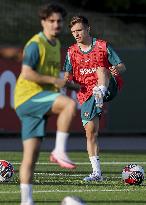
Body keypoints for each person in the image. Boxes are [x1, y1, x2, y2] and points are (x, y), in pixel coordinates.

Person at [14, 3, 77, 205]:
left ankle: (26, 201)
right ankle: (59, 150)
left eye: (59, 21)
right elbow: (27, 73)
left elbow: (51, 77)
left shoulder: (56, 44)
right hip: (29, 97)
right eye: (51, 21)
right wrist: (54, 81)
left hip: (35, 100)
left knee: (30, 158)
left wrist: (69, 85)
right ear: (43, 22)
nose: (56, 25)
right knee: (68, 105)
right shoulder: (36, 44)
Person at [64, 16, 126, 181]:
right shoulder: (71, 52)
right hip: (87, 94)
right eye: (73, 32)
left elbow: (122, 65)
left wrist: (116, 69)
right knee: (91, 133)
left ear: (88, 29)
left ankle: (101, 90)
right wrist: (64, 82)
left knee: (101, 69)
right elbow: (67, 77)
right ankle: (97, 173)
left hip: (109, 86)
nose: (76, 34)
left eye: (79, 30)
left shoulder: (102, 46)